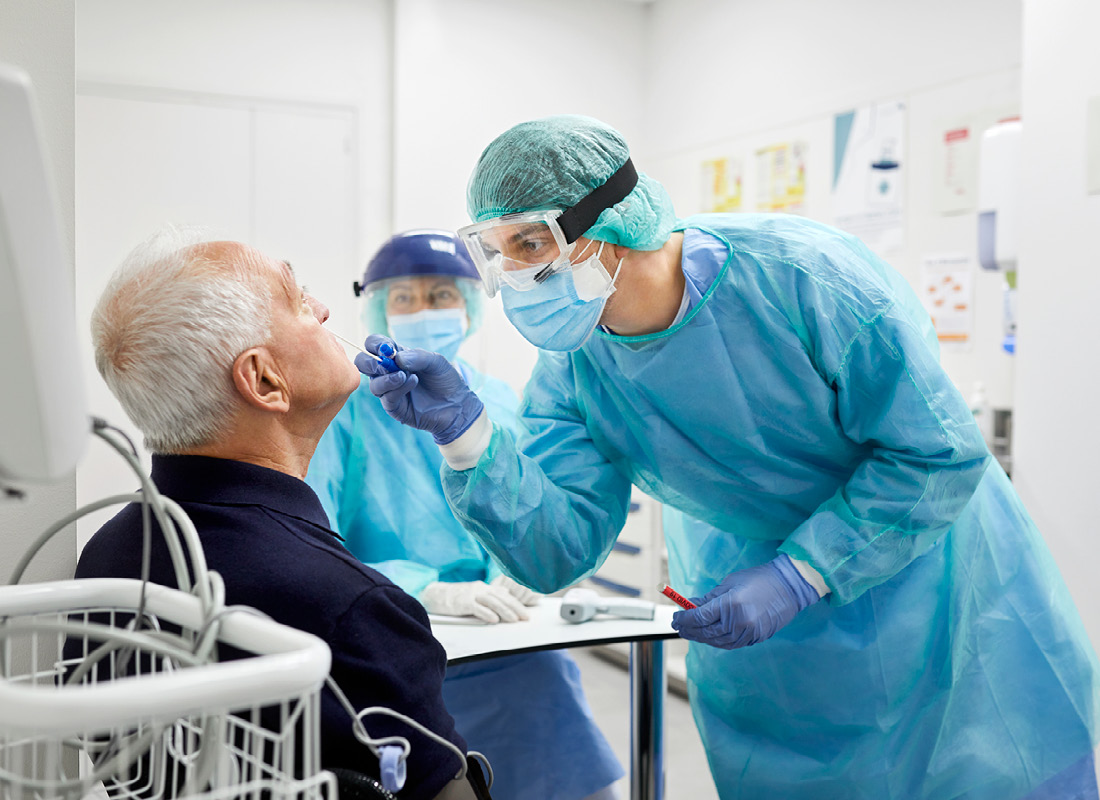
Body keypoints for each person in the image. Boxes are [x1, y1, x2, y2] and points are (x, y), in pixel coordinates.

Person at [356, 114, 1100, 799]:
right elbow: (558, 550)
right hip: (768, 648)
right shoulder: (576, 366)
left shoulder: (805, 278)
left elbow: (936, 454)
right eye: (495, 252)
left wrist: (801, 573)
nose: (513, 276)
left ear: (606, 222)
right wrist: (467, 437)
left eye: (529, 244)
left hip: (939, 602)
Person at [76, 228, 492, 800]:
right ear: (265, 379)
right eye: (299, 300)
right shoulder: (353, 609)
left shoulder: (105, 559)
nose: (324, 309)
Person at [306, 228, 624, 800]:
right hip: (394, 641)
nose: (425, 311)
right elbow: (313, 541)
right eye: (404, 298)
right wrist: (423, 590)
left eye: (442, 295)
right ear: (376, 307)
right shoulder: (346, 412)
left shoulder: (499, 400)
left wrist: (521, 569)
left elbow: (536, 508)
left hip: (507, 637)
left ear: (472, 304)